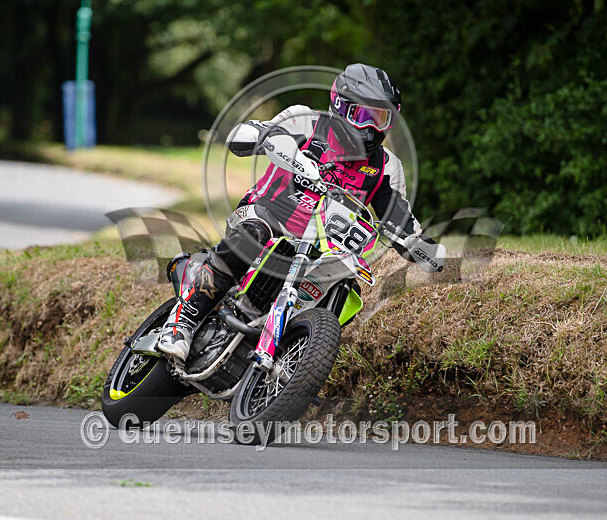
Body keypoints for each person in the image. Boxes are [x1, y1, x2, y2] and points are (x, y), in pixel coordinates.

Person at [158, 63, 432, 365]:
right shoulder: (305, 122)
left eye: (381, 119)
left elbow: (400, 217)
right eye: (364, 116)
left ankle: (296, 355)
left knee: (345, 279)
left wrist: (426, 248)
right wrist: (262, 138)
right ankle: (180, 324)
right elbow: (247, 134)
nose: (371, 128)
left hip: (322, 245)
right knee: (255, 232)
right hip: (265, 216)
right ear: (341, 106)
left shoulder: (386, 167)